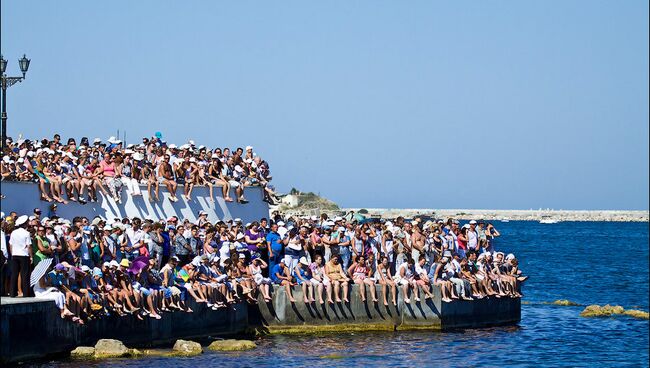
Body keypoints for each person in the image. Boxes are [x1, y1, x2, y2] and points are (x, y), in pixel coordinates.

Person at [9, 215, 33, 297]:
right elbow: (29, 246)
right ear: (25, 224)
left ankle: (12, 293)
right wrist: (31, 256)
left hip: (15, 255)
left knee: (14, 274)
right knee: (25, 274)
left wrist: (12, 253)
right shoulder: (26, 233)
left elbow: (10, 244)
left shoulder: (13, 232)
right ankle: (26, 293)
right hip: (24, 255)